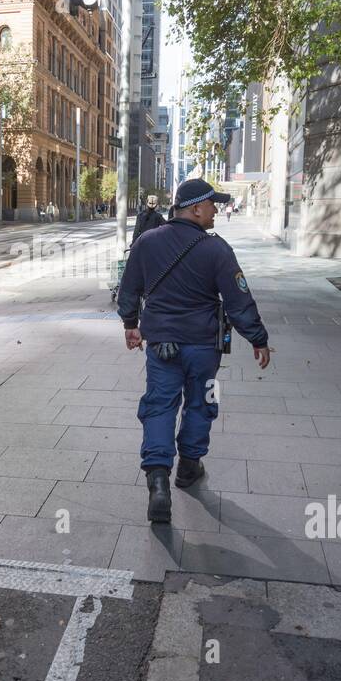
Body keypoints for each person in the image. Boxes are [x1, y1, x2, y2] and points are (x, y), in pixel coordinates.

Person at [117, 178, 272, 524]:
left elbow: (129, 289)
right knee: (202, 402)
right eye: (212, 205)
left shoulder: (147, 242)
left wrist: (131, 324)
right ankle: (188, 467)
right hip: (203, 347)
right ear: (196, 209)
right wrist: (258, 338)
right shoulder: (216, 249)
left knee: (159, 404)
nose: (216, 211)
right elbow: (238, 300)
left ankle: (158, 481)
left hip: (160, 346)